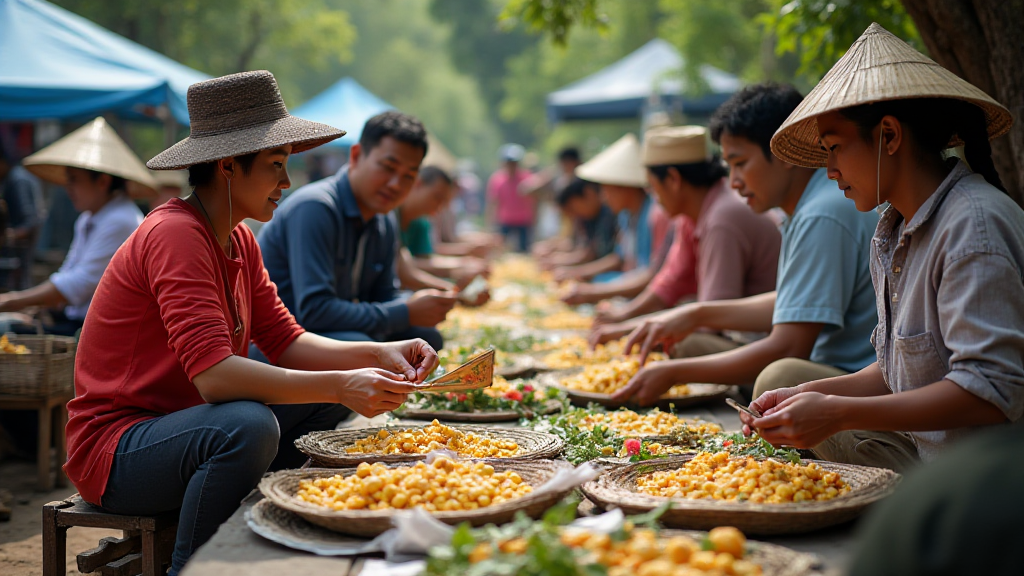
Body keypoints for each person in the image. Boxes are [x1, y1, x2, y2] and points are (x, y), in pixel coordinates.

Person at [66, 71, 438, 575]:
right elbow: (215, 376)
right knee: (248, 423)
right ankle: (193, 566)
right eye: (276, 166)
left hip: (184, 426)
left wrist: (379, 353)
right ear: (226, 166)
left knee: (298, 404)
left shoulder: (238, 238)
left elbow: (286, 340)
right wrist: (343, 384)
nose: (286, 182)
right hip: (118, 449)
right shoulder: (176, 234)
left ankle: (259, 511)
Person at [737, 23, 1023, 472]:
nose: (829, 170)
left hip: (982, 478)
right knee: (786, 381)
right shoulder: (891, 230)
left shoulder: (974, 227)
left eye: (834, 148)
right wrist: (813, 397)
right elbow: (897, 370)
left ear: (888, 136)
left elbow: (992, 390)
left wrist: (838, 412)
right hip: (926, 449)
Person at [613, 82, 879, 406]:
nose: (735, 181)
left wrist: (674, 372)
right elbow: (793, 303)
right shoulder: (806, 208)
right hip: (827, 366)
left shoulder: (820, 213)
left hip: (849, 375)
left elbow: (789, 345)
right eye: (729, 167)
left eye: (740, 163)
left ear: (785, 151)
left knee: (778, 377)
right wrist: (695, 314)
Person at [257, 111, 456, 352]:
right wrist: (404, 312)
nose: (395, 184)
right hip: (286, 341)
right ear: (356, 155)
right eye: (387, 167)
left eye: (408, 176)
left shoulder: (384, 220)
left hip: (335, 331)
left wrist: (417, 304)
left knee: (426, 338)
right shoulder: (316, 208)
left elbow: (383, 295)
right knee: (367, 348)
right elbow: (315, 311)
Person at [589, 126, 781, 355]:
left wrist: (626, 329)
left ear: (673, 179)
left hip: (759, 341)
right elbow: (670, 283)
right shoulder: (691, 216)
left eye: (653, 187)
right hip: (734, 334)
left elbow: (712, 318)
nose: (654, 197)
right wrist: (623, 318)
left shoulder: (722, 218)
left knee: (682, 345)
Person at [0, 118, 148, 336]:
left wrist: (12, 301)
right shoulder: (91, 217)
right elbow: (69, 273)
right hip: (80, 321)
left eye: (75, 180)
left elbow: (78, 284)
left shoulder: (120, 218)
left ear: (103, 182)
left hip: (105, 331)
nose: (69, 189)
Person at [555, 133, 672, 288]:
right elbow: (620, 257)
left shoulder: (654, 215)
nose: (603, 197)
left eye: (606, 190)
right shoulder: (625, 216)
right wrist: (579, 273)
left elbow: (651, 274)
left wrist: (594, 290)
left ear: (624, 187)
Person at [396, 165, 489, 286]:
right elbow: (406, 268)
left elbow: (424, 258)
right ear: (418, 184)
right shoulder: (389, 216)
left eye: (444, 202)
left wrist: (461, 265)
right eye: (437, 197)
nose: (439, 208)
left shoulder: (421, 222)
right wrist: (458, 266)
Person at [543, 178, 618, 272]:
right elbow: (588, 251)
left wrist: (577, 271)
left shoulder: (611, 213)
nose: (574, 215)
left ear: (589, 193)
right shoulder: (589, 219)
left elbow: (617, 258)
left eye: (573, 208)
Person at [0, 144, 44, 290]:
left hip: (19, 251)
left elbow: (30, 222)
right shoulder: (10, 179)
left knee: (19, 286)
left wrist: (8, 236)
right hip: (14, 249)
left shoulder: (18, 181)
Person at [487, 143, 534, 252]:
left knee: (524, 250)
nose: (511, 165)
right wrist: (491, 226)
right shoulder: (497, 180)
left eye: (514, 163)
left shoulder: (527, 178)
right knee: (501, 250)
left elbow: (534, 201)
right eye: (509, 163)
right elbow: (493, 203)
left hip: (524, 221)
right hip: (505, 221)